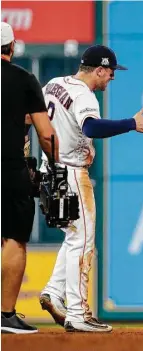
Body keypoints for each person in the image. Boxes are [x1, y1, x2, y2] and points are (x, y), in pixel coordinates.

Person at [38, 45, 143, 333]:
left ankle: (54, 292)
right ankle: (78, 313)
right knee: (84, 240)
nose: (113, 78)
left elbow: (32, 117)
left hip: (50, 169)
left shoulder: (54, 84)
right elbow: (91, 128)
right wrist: (132, 123)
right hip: (71, 173)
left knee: (73, 237)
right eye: (111, 72)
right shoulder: (84, 94)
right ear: (100, 69)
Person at [1, 22, 59, 334]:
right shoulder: (23, 79)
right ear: (11, 47)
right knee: (13, 238)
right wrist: (56, 165)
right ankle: (5, 315)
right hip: (8, 167)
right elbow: (46, 134)